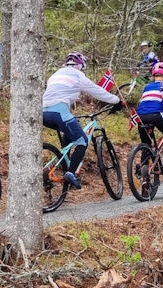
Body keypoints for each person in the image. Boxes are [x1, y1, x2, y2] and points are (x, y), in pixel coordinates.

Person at [42, 51, 122, 189]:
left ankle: (65, 161)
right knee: (82, 140)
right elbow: (97, 91)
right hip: (59, 112)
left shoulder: (54, 75)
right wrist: (116, 100)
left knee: (72, 129)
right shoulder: (78, 75)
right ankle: (70, 173)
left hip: (43, 113)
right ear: (80, 65)